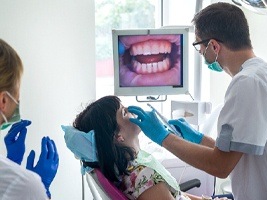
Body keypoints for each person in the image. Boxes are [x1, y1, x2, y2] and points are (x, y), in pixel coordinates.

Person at [128, 2, 267, 200]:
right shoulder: (264, 73)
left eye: (199, 48)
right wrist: (198, 139)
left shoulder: (248, 83)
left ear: (214, 46)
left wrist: (163, 137)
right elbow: (240, 149)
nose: (201, 54)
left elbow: (220, 166)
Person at [62, 95, 230, 200]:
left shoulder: (128, 170)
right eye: (123, 112)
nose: (130, 110)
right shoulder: (143, 176)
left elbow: (176, 195)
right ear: (117, 136)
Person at [0, 38, 59, 199]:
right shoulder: (25, 186)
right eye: (17, 92)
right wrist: (41, 186)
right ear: (3, 101)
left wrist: (11, 163)